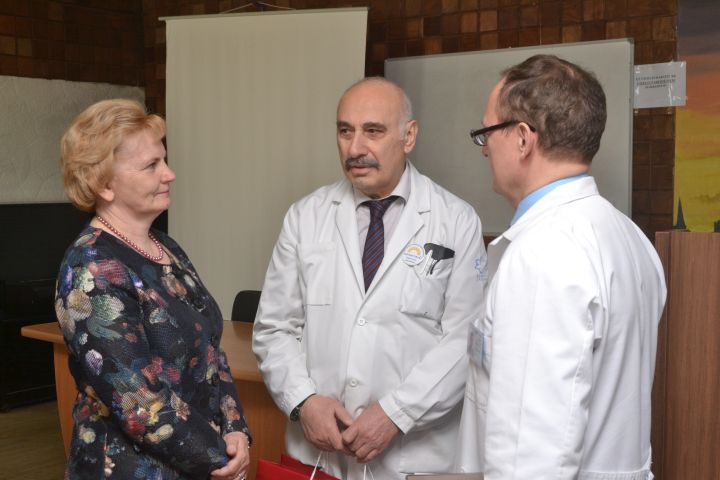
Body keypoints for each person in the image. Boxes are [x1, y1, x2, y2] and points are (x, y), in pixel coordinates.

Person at [252, 77, 487, 479]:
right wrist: (304, 401)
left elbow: (464, 342)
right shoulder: (305, 217)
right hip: (319, 456)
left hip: (413, 457)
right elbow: (275, 328)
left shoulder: (456, 221)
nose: (355, 148)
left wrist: (397, 413)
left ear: (408, 136)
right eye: (345, 131)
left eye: (373, 131)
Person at [455, 55, 667, 479]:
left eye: (487, 133)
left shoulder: (544, 253)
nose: (485, 149)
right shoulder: (630, 237)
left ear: (522, 138)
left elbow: (530, 457)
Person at [55, 99, 251, 480]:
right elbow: (139, 405)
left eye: (164, 160)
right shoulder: (90, 267)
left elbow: (211, 350)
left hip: (199, 461)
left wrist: (236, 431)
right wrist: (222, 459)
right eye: (151, 166)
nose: (169, 174)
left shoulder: (166, 246)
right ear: (104, 184)